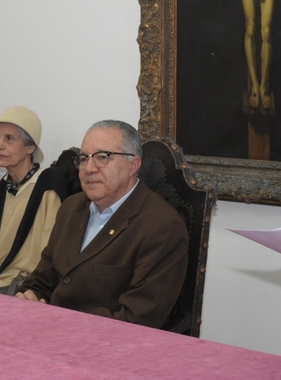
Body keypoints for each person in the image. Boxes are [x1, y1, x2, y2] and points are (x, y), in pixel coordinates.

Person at [15, 120, 188, 329]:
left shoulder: (162, 227)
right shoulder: (71, 208)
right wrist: (28, 297)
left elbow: (139, 319)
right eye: (83, 159)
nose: (89, 169)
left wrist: (59, 322)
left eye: (102, 157)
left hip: (109, 349)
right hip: (49, 333)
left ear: (133, 165)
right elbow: (42, 280)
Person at [0, 106, 69, 293]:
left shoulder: (48, 188)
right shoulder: (0, 188)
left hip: (24, 290)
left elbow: (49, 256)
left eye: (9, 138)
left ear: (30, 147)